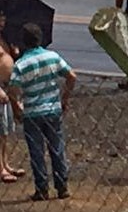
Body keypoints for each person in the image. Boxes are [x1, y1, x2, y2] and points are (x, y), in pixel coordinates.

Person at [7, 23, 76, 201]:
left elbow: (13, 92)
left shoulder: (21, 64)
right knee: (57, 148)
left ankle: (42, 188)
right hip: (52, 108)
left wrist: (17, 109)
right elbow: (71, 76)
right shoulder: (52, 57)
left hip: (32, 112)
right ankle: (62, 186)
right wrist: (64, 98)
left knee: (36, 151)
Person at [0, 11, 25, 184]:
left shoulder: (5, 38)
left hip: (7, 88)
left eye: (3, 18)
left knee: (6, 131)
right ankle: (0, 169)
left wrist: (15, 53)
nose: (3, 21)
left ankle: (5, 164)